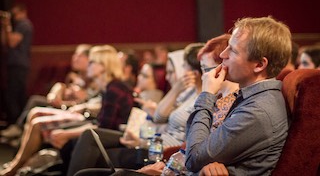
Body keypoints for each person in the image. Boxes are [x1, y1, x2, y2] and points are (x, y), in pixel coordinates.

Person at [65, 44, 204, 176]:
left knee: (89, 151)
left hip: (161, 154)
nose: (168, 76)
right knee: (86, 151)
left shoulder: (201, 99)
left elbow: (161, 123)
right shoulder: (185, 95)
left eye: (174, 71)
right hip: (149, 145)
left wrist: (143, 141)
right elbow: (159, 118)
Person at [0, 45, 135, 176]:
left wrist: (67, 133)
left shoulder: (114, 89)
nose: (88, 65)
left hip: (113, 135)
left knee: (48, 126)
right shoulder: (110, 87)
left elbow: (102, 127)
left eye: (92, 62)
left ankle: (18, 167)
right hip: (97, 127)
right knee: (40, 116)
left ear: (104, 66)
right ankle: (21, 166)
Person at [185, 16, 292, 175]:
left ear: (259, 65)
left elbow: (193, 158)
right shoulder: (254, 97)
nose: (222, 54)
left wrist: (207, 94)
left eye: (233, 50)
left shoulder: (258, 111)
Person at [1, 3, 33, 126]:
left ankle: (17, 124)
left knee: (15, 94)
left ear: (22, 11)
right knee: (12, 93)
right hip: (14, 64)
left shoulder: (24, 24)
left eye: (14, 14)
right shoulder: (17, 26)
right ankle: (16, 124)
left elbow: (12, 43)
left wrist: (8, 25)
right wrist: (5, 26)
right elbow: (5, 42)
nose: (13, 17)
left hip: (19, 64)